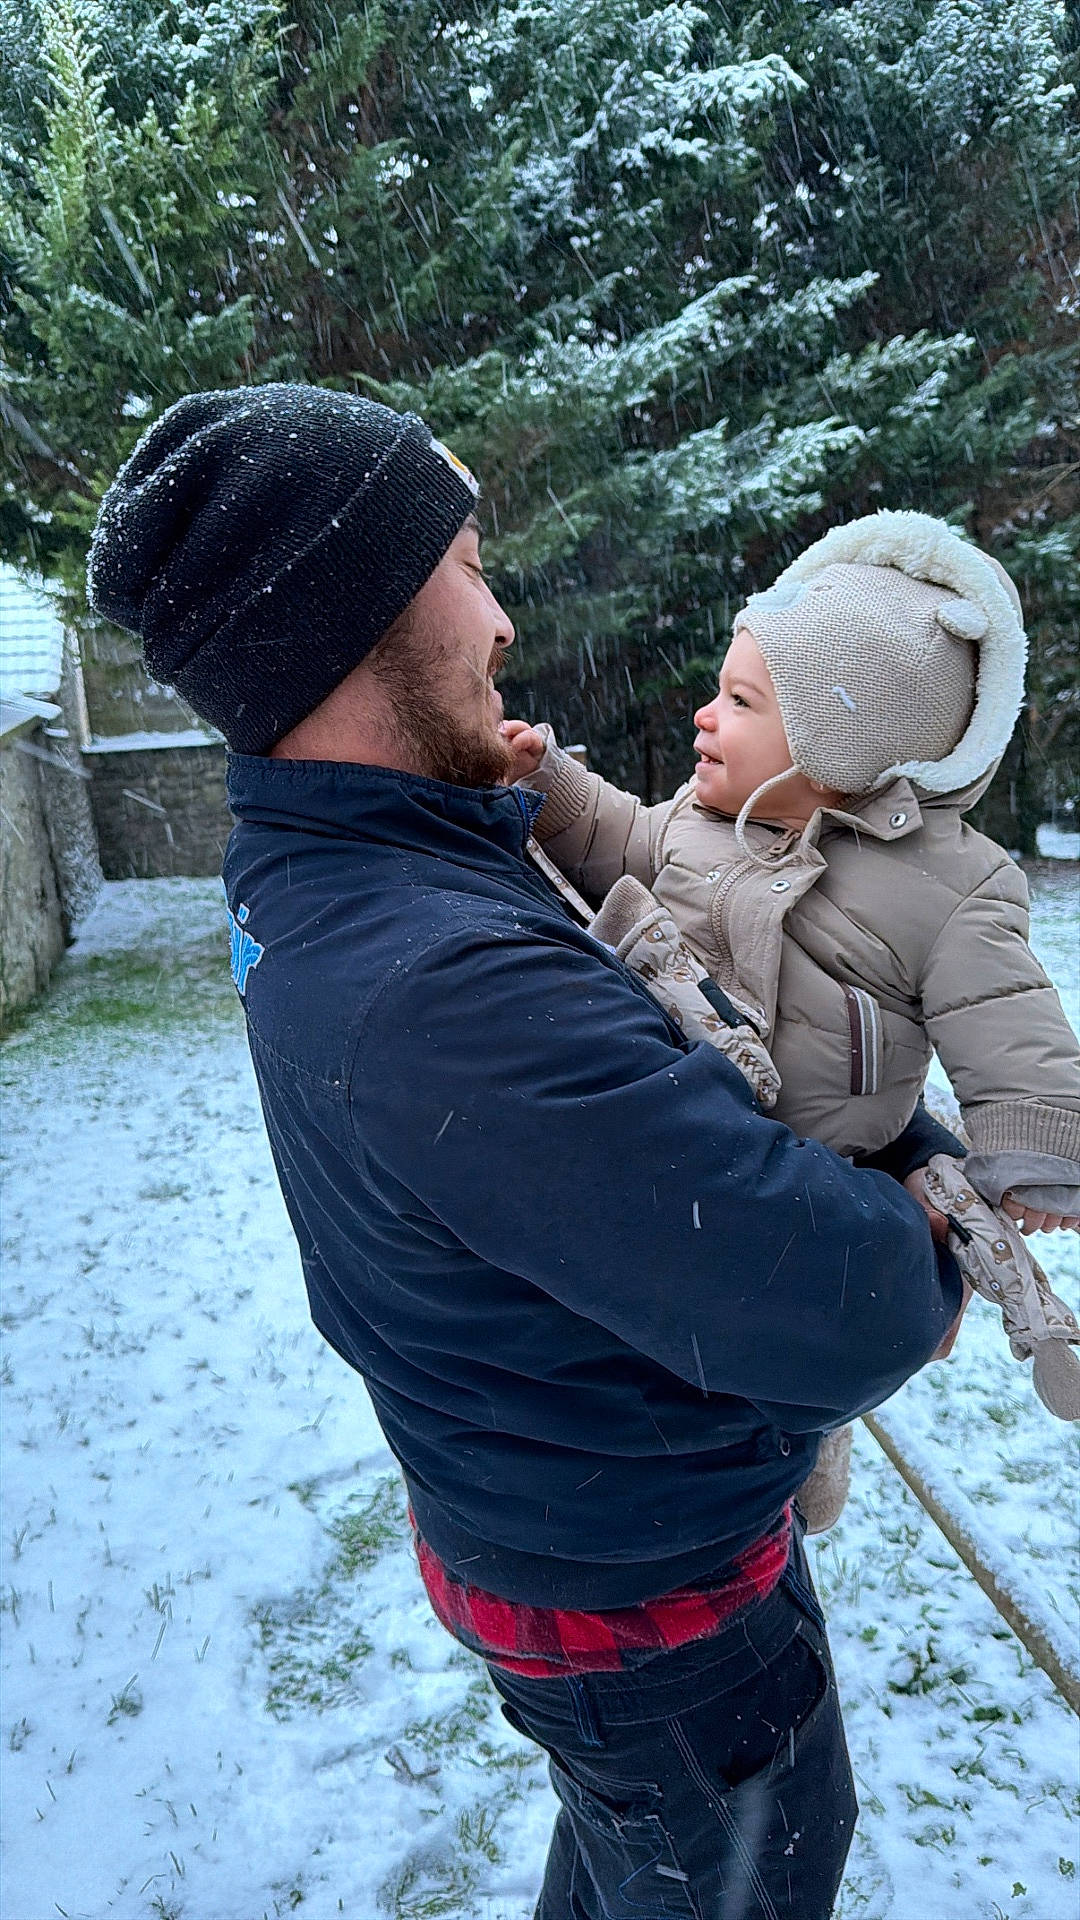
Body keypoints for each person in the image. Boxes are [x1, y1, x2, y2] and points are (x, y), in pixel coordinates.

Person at [88, 384, 969, 1920]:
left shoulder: (325, 857)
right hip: (659, 1614)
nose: (501, 620)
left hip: (543, 1523)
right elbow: (856, 1306)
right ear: (350, 612)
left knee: (639, 1859)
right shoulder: (446, 993)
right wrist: (918, 1163)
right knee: (728, 1870)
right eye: (469, 564)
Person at [501, 511, 1080, 1521]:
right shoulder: (695, 820)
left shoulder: (951, 884)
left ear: (838, 738)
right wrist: (551, 787)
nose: (703, 720)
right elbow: (616, 840)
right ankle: (747, 1455)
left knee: (799, 1345)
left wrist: (1037, 1144)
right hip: (693, 1131)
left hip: (826, 1167)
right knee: (693, 1336)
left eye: (739, 701)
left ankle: (806, 1451)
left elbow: (1007, 1016)